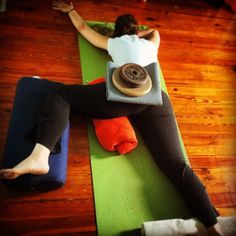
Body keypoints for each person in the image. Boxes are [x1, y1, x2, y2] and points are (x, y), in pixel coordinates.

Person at [0, 1, 223, 235]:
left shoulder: (113, 42)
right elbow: (156, 31)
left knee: (60, 94)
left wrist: (71, 11)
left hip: (123, 93)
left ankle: (40, 156)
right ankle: (213, 224)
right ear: (137, 29)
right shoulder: (151, 43)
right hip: (156, 96)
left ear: (117, 30)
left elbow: (84, 30)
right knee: (177, 165)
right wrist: (140, 32)